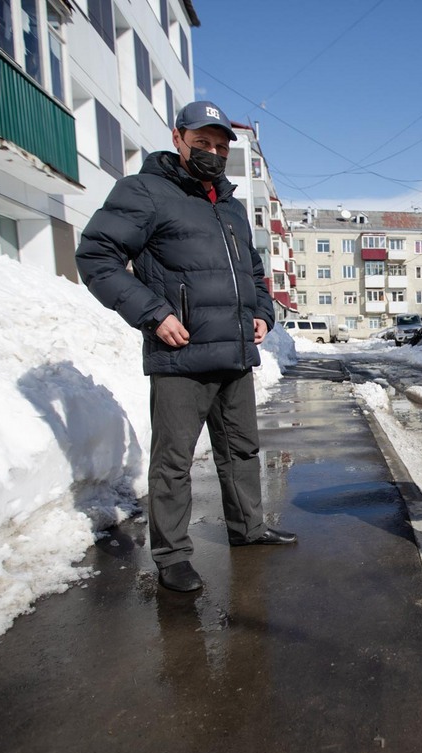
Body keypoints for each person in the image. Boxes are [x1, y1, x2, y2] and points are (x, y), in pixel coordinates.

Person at [75, 100, 295, 594]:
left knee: (240, 451)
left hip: (235, 353)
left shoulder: (231, 206)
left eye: (221, 147)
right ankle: (173, 556)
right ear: (178, 138)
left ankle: (248, 529)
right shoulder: (145, 192)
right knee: (173, 461)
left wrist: (262, 313)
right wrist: (153, 314)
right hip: (181, 355)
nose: (213, 153)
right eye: (203, 143)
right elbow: (96, 256)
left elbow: (254, 275)